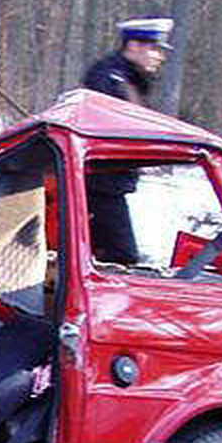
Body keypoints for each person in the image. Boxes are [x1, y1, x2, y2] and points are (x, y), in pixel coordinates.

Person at [81, 17, 174, 265]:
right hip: (100, 185)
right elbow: (116, 132)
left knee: (104, 258)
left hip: (106, 184)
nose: (159, 56)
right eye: (154, 48)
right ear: (133, 46)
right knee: (123, 258)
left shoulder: (125, 80)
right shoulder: (112, 81)